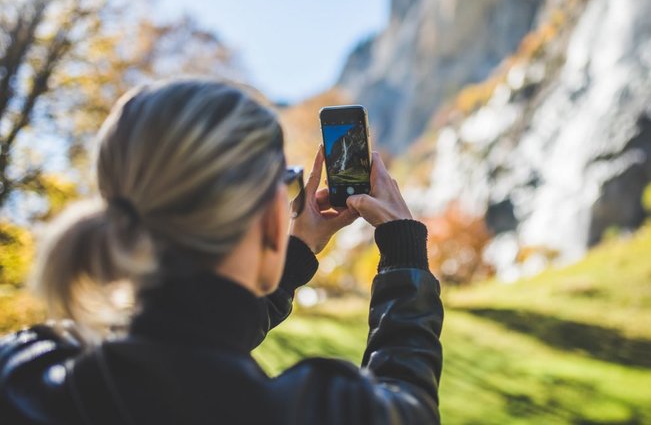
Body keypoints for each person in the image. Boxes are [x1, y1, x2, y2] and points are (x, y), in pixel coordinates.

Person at [0, 79, 443, 424]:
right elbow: (409, 405)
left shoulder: (23, 366)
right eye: (284, 180)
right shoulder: (314, 413)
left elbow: (183, 334)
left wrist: (287, 254)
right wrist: (403, 252)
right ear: (271, 220)